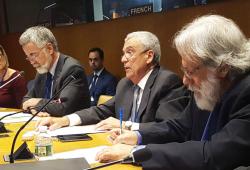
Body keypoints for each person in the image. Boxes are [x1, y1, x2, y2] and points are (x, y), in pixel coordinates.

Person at [94, 15, 250, 170]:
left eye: (189, 72)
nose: (185, 81)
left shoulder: (246, 92)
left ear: (222, 68)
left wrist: (136, 153)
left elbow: (214, 154)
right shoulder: (210, 86)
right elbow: (179, 127)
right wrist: (137, 136)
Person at [36, 31, 189, 131]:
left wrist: (126, 126)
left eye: (129, 52)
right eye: (123, 53)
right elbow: (101, 110)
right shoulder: (125, 84)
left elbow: (168, 128)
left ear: (149, 56)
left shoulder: (167, 81)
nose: (123, 59)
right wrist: (65, 120)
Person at [20, 26, 90, 117]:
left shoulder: (72, 70)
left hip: (74, 127)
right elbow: (26, 100)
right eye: (28, 57)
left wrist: (38, 102)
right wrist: (33, 108)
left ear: (49, 49)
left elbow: (63, 107)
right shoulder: (42, 71)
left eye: (33, 55)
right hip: (48, 125)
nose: (31, 61)